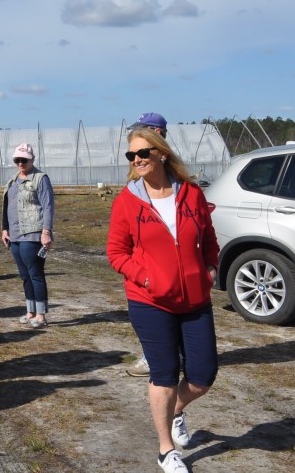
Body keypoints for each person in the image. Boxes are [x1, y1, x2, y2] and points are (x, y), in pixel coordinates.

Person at [107, 128, 219, 473]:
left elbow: (209, 237)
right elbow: (116, 252)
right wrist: (145, 277)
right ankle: (165, 450)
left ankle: (176, 411)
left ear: (162, 154)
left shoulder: (191, 193)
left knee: (202, 377)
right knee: (165, 375)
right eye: (132, 155)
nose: (137, 160)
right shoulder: (127, 201)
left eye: (144, 153)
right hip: (150, 301)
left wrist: (211, 268)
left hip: (195, 300)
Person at [125, 112, 171, 378]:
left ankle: (160, 355)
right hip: (145, 262)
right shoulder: (138, 173)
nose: (136, 157)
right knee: (148, 310)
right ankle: (154, 354)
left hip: (165, 257)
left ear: (157, 133)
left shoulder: (170, 173)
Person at [0, 143, 54, 329]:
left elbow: (48, 206)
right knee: (24, 276)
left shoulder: (40, 179)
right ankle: (30, 311)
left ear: (32, 160)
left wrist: (46, 232)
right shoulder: (13, 180)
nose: (20, 164)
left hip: (32, 234)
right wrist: (5, 229)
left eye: (24, 160)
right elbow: (7, 205)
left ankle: (41, 315)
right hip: (15, 235)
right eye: (17, 160)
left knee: (35, 274)